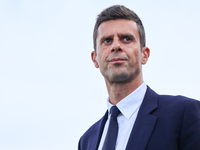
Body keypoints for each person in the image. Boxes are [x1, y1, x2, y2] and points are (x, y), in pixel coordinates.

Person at [78, 5, 200, 150]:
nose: (116, 46)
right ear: (95, 58)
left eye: (126, 39)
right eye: (107, 40)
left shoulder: (184, 114)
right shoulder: (86, 141)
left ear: (145, 54)